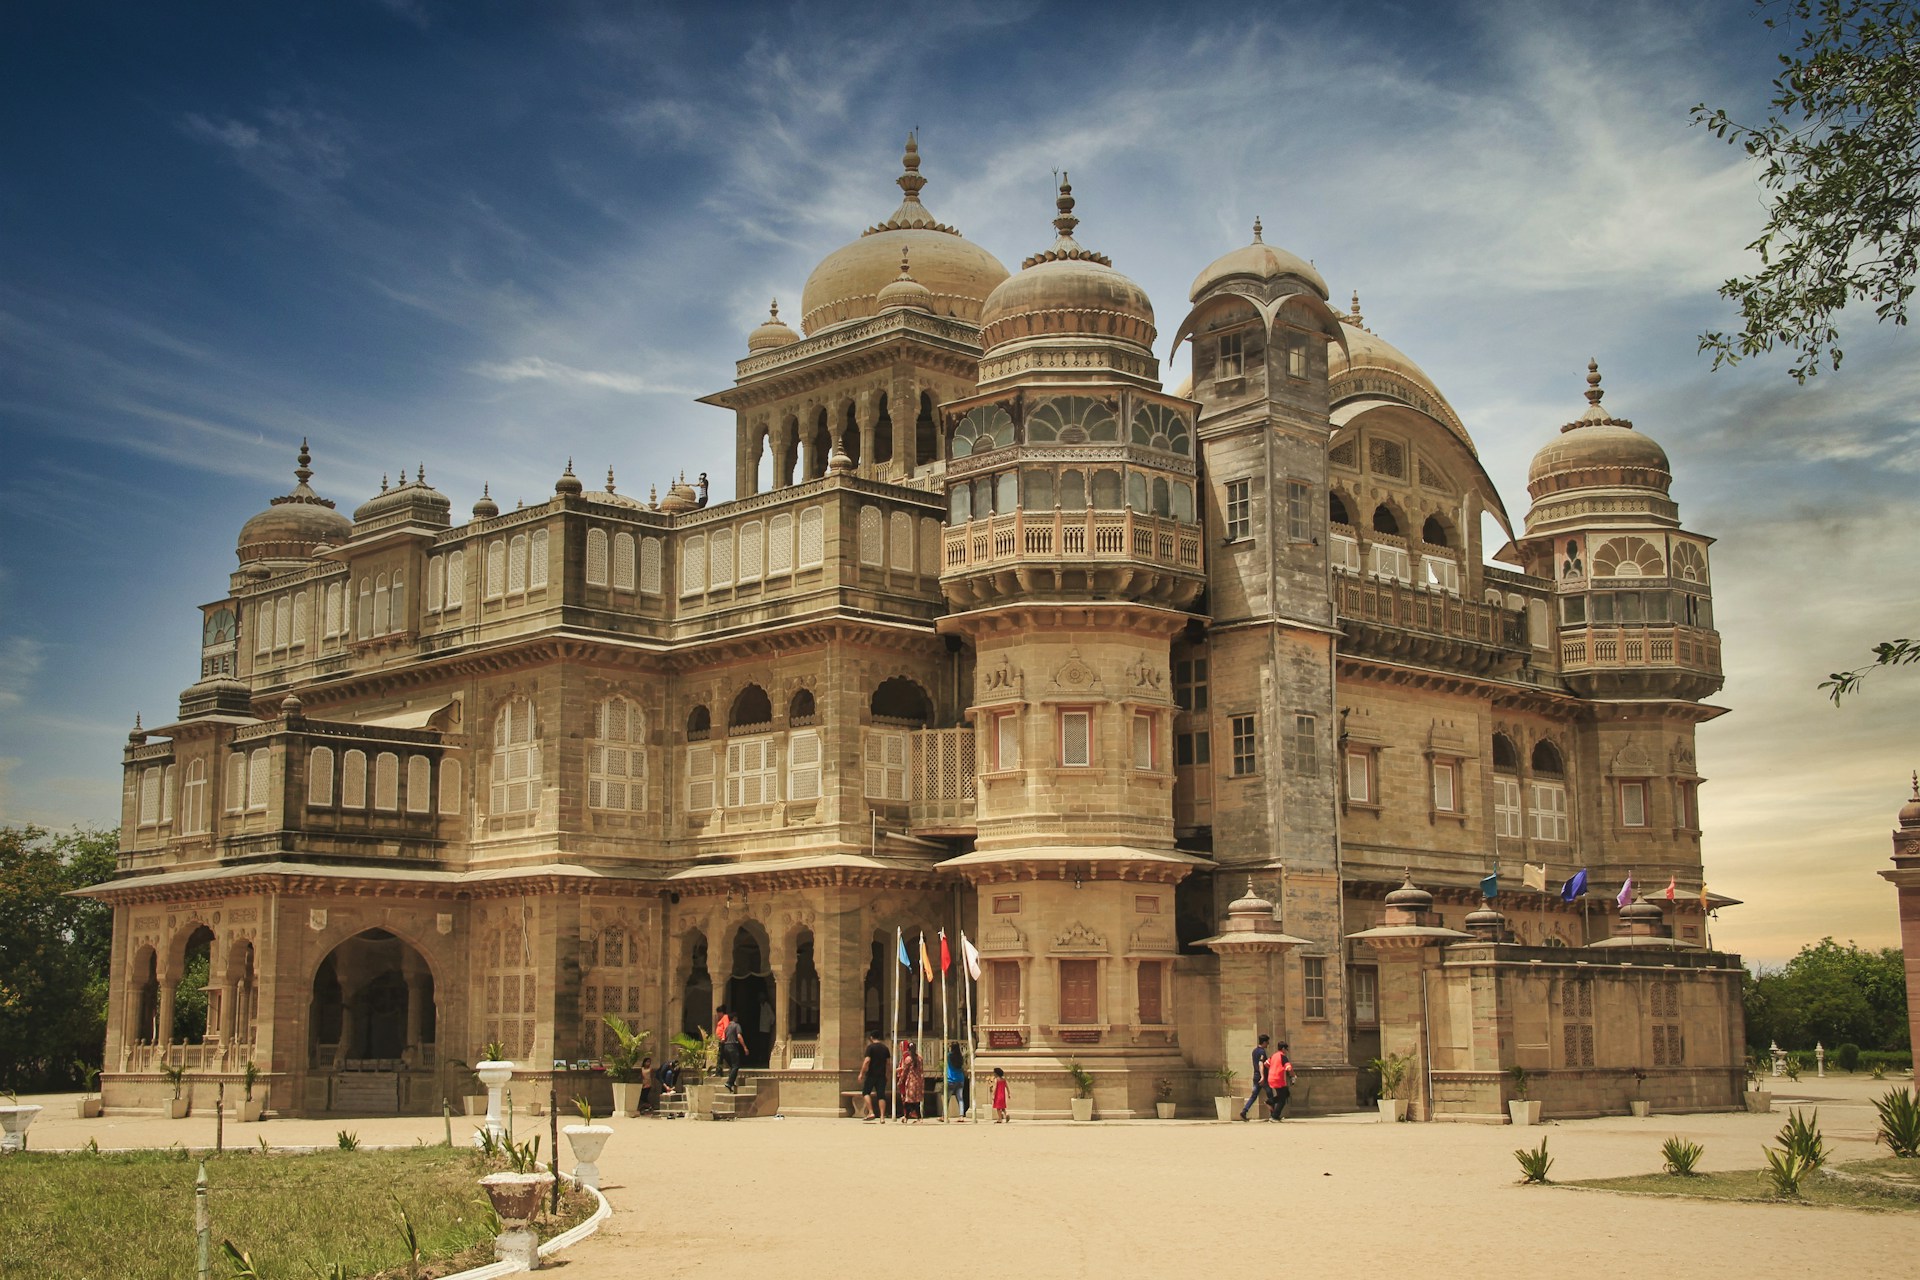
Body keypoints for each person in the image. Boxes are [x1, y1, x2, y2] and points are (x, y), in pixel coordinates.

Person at [857, 1032, 890, 1121]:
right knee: (881, 1095)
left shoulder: (870, 1048)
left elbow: (867, 1061)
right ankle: (882, 1117)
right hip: (881, 1075)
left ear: (871, 1038)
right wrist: (887, 1074)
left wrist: (861, 1073)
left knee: (866, 1092)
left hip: (871, 1074)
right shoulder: (885, 1048)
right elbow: (888, 1063)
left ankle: (871, 1112)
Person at [1239, 1033, 1271, 1121]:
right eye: (1267, 1042)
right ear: (1264, 1042)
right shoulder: (1262, 1052)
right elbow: (1261, 1063)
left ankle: (1244, 1111)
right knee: (1270, 1094)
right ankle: (1274, 1113)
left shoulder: (1254, 1051)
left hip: (1256, 1076)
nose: (1268, 1044)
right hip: (1261, 1077)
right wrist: (1263, 1076)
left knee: (1254, 1095)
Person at [1266, 1041, 1295, 1121]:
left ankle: (1270, 1102)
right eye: (1286, 1049)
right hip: (1279, 1079)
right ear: (1283, 1049)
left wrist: (1272, 1069)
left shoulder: (1273, 1056)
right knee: (1282, 1100)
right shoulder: (1283, 1057)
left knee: (1285, 1094)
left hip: (1271, 1078)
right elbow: (1289, 1068)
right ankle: (1274, 1116)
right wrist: (1293, 1076)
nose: (1286, 1051)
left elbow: (1266, 1063)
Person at [896, 1039, 925, 1122]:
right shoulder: (920, 1058)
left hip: (911, 1081)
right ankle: (915, 1117)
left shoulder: (908, 1059)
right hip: (919, 1081)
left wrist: (900, 1081)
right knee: (916, 1100)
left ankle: (907, 1117)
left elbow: (905, 1071)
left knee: (909, 1100)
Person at [723, 1014, 747, 1091]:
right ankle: (729, 1082)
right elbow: (739, 1036)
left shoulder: (727, 1027)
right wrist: (744, 1047)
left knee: (732, 1066)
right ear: (734, 1018)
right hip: (733, 1047)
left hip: (726, 1047)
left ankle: (732, 1081)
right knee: (736, 1065)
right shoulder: (736, 1026)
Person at [945, 1042, 969, 1118]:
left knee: (947, 1098)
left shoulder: (949, 1056)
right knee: (960, 1098)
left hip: (951, 1079)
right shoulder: (960, 1057)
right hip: (960, 1078)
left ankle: (944, 1115)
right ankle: (961, 1115)